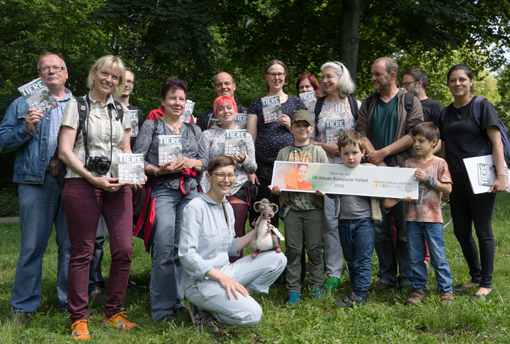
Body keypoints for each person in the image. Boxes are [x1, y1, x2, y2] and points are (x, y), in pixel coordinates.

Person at [59, 55, 138, 340]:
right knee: (82, 252)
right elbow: (65, 150)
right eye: (105, 74)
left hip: (118, 184)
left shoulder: (121, 110)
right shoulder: (76, 105)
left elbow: (125, 148)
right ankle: (79, 317)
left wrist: (133, 172)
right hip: (82, 182)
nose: (109, 80)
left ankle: (112, 313)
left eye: (115, 77)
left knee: (124, 250)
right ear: (94, 74)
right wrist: (93, 178)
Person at [0, 52, 72, 326]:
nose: (51, 71)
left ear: (66, 73)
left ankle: (70, 304)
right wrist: (26, 128)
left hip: (72, 182)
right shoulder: (21, 104)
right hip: (35, 181)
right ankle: (22, 307)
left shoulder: (80, 104)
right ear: (39, 75)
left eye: (56, 68)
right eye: (45, 68)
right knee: (31, 247)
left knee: (71, 246)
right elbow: (2, 142)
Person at [179, 155, 286, 332]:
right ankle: (206, 308)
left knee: (278, 259)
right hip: (200, 281)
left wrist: (257, 229)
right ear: (208, 177)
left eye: (231, 175)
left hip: (226, 271)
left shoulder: (226, 205)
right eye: (221, 175)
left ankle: (219, 303)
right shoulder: (195, 207)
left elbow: (230, 246)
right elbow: (186, 255)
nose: (226, 180)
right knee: (253, 315)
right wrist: (223, 278)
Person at [133, 76, 207, 322]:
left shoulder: (194, 129)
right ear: (162, 101)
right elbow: (137, 161)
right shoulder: (151, 126)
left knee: (184, 249)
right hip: (163, 190)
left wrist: (192, 162)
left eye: (182, 99)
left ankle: (179, 301)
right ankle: (162, 308)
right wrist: (157, 170)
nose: (177, 102)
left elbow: (205, 162)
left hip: (190, 192)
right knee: (164, 249)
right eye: (172, 98)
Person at [355, 57, 423, 291]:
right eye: (372, 74)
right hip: (376, 174)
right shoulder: (368, 102)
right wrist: (376, 160)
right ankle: (386, 277)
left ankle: (408, 277)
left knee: (405, 230)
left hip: (403, 174)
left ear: (393, 76)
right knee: (380, 229)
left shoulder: (410, 101)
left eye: (377, 74)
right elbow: (361, 132)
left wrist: (382, 153)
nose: (373, 78)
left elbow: (413, 134)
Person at [438, 64, 506, 298]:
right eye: (452, 80)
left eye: (462, 79)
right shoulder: (445, 113)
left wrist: (501, 176)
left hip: (481, 178)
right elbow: (444, 146)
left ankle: (485, 283)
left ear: (471, 81)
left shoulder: (481, 106)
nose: (457, 84)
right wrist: (443, 178)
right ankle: (475, 275)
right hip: (455, 178)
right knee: (460, 230)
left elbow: (496, 142)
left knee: (483, 230)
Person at [88, 68, 145, 303]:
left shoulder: (134, 112)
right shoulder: (89, 107)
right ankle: (94, 286)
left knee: (123, 243)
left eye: (130, 81)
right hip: (95, 179)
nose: (127, 85)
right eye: (125, 80)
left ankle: (118, 287)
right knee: (96, 239)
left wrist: (134, 174)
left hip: (125, 181)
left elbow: (132, 148)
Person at [385, 123, 454, 305]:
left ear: (434, 142)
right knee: (415, 258)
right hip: (412, 218)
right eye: (414, 140)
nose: (416, 144)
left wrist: (427, 179)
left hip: (433, 219)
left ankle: (445, 290)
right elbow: (404, 188)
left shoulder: (440, 163)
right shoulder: (408, 163)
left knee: (438, 257)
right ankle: (418, 289)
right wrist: (402, 196)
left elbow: (447, 188)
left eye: (421, 141)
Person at [316, 131, 382, 308]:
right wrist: (324, 192)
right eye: (346, 153)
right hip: (344, 222)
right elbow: (333, 192)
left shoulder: (370, 171)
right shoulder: (337, 172)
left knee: (362, 260)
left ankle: (360, 295)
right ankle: (356, 288)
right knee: (351, 259)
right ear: (340, 154)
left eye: (354, 153)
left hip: (364, 222)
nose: (350, 157)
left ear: (362, 153)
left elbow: (385, 188)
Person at [311, 61, 361, 291]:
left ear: (341, 78)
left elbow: (362, 138)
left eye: (330, 76)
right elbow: (306, 139)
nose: (325, 81)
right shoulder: (317, 105)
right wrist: (325, 147)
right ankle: (333, 273)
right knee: (329, 224)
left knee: (354, 223)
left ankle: (356, 270)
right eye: (323, 77)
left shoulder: (355, 104)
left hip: (351, 171)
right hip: (325, 170)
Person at [270, 109, 328, 306]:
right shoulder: (284, 152)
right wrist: (277, 189)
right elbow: (279, 180)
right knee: (293, 250)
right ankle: (293, 289)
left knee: (314, 249)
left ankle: (317, 284)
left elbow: (326, 180)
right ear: (291, 128)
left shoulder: (318, 152)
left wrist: (323, 190)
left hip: (314, 209)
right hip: (292, 210)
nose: (302, 129)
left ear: (311, 129)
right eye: (298, 125)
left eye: (305, 125)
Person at [247, 59, 307, 228]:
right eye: (272, 74)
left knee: (294, 218)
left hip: (291, 165)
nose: (276, 77)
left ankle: (294, 254)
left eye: (280, 73)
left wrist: (290, 125)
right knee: (266, 217)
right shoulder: (256, 103)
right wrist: (250, 168)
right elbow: (249, 139)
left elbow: (307, 135)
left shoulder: (296, 102)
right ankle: (265, 252)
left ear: (285, 77)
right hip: (264, 167)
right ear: (266, 76)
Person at [201, 95, 257, 263]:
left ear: (235, 110)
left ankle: (235, 276)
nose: (225, 111)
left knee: (235, 234)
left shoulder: (245, 136)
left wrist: (242, 160)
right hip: (213, 191)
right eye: (221, 109)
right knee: (213, 236)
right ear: (216, 113)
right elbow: (203, 166)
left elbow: (253, 167)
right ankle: (215, 273)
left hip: (237, 188)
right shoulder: (208, 135)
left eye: (229, 107)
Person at [402, 68, 444, 154]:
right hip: (401, 159)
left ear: (419, 83)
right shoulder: (401, 105)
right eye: (403, 84)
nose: (404, 88)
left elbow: (442, 138)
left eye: (406, 84)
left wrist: (425, 157)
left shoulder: (435, 106)